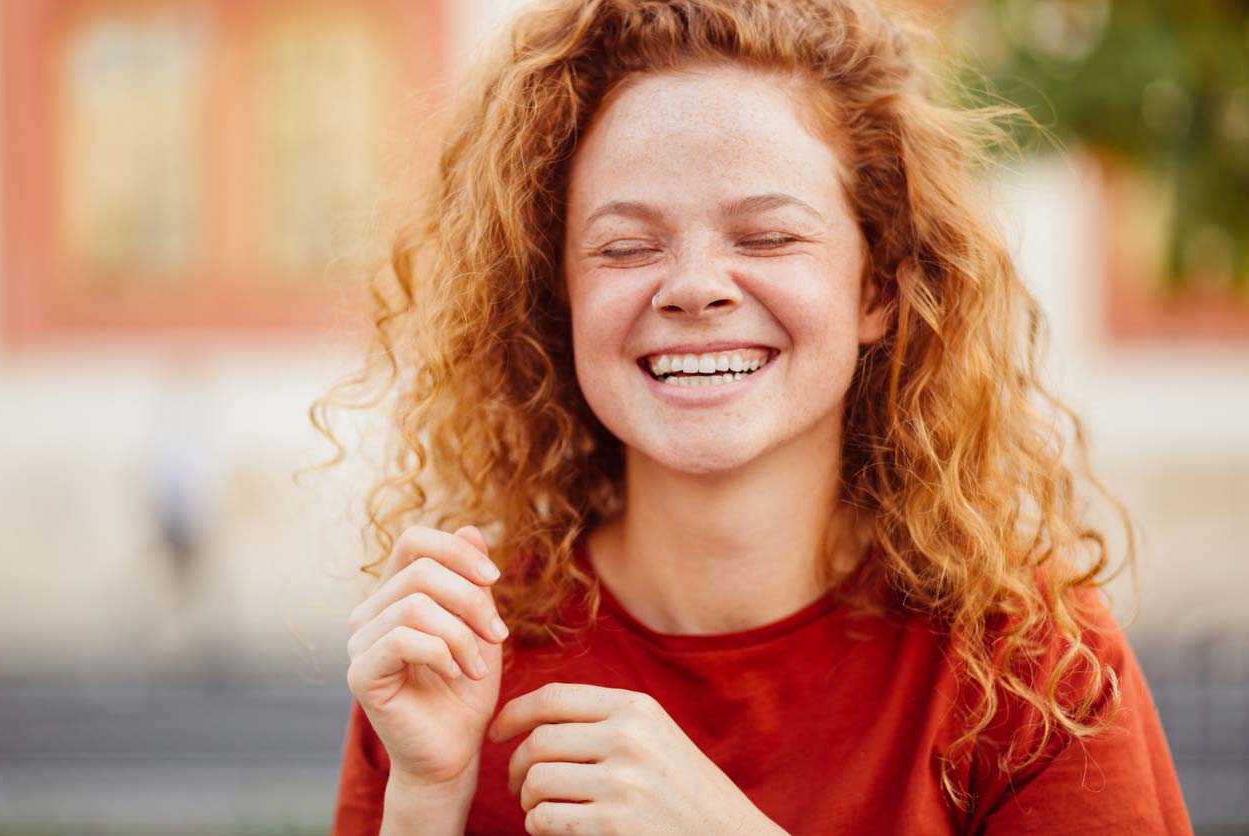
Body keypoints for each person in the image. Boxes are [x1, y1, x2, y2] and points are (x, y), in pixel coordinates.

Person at [315, 0, 1194, 833]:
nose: (695, 287)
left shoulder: (1031, 666)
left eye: (768, 237)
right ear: (561, 296)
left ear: (878, 288)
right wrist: (428, 799)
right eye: (626, 247)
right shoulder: (453, 653)